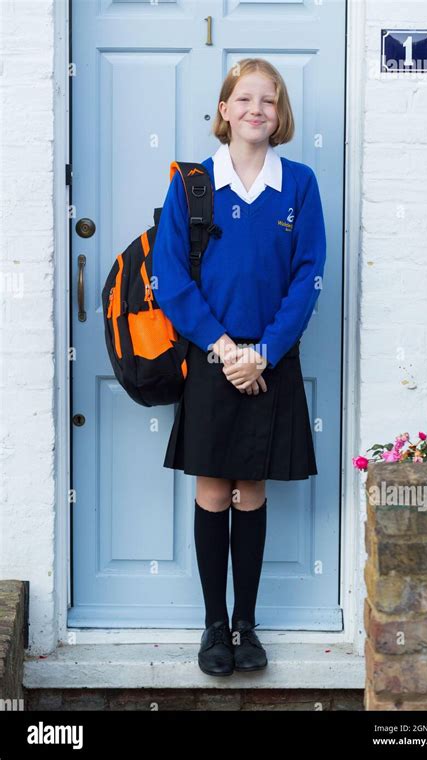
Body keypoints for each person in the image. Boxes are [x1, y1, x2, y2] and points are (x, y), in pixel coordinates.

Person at [152, 58, 326, 677]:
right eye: (244, 99)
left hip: (270, 361)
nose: (257, 109)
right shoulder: (193, 182)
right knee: (211, 489)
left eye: (269, 101)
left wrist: (265, 353)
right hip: (212, 358)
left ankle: (247, 623)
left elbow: (308, 276)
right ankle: (213, 624)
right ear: (223, 110)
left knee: (250, 491)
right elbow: (168, 277)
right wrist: (226, 350)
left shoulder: (299, 184)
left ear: (280, 116)